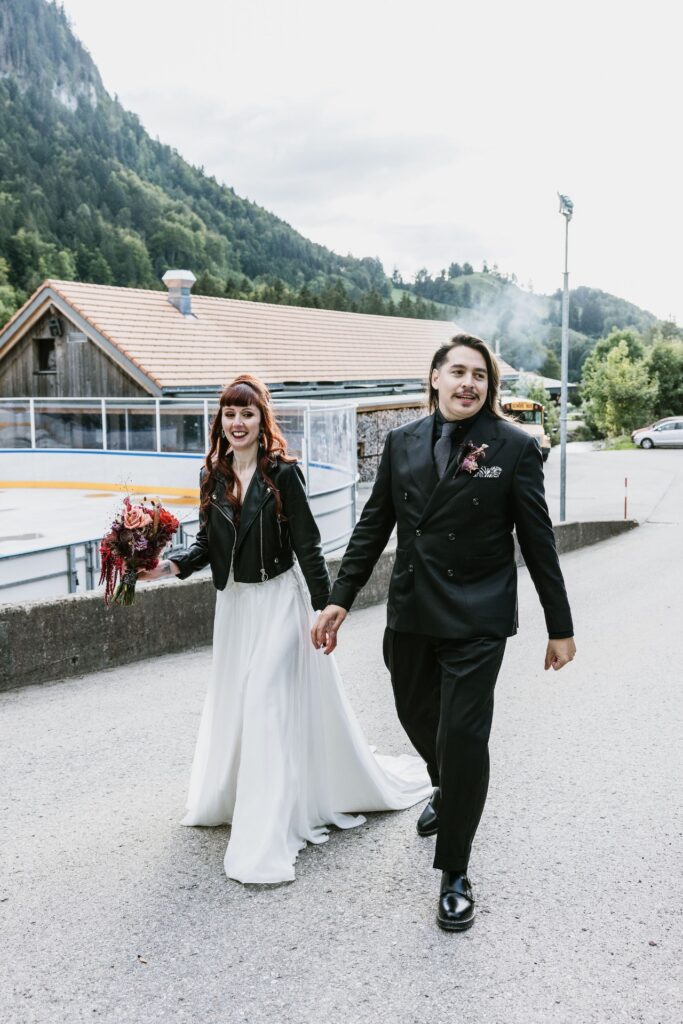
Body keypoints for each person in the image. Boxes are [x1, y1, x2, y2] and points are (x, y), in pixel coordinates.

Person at [312, 334, 576, 931]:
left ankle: (455, 869)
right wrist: (339, 600)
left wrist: (559, 627)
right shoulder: (401, 443)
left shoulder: (512, 447)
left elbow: (538, 542)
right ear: (433, 378)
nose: (469, 383)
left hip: (478, 616)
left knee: (462, 735)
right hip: (411, 611)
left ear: (489, 386)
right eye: (457, 371)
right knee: (414, 712)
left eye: (479, 375)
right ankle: (445, 786)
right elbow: (373, 525)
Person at [138, 374, 431, 884]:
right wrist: (168, 567)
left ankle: (264, 833)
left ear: (261, 419)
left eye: (247, 413)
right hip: (234, 609)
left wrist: (327, 607)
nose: (237, 423)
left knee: (266, 700)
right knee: (239, 704)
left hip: (279, 602)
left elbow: (308, 546)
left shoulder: (284, 475)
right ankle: (246, 799)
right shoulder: (212, 474)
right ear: (220, 421)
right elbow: (208, 544)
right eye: (230, 413)